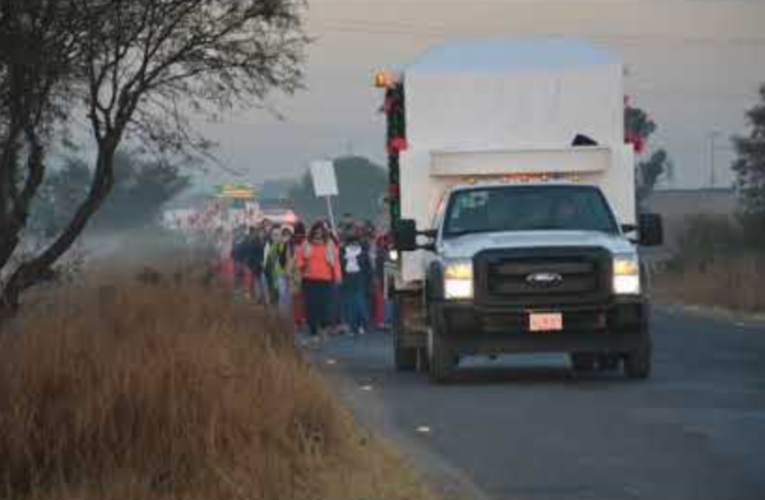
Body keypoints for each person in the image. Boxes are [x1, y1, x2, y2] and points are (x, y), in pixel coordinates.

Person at [297, 222, 342, 340]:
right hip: (309, 279)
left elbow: (336, 262)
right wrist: (301, 266)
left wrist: (338, 277)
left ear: (324, 232)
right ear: (313, 232)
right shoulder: (306, 243)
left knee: (324, 305)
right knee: (311, 306)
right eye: (316, 231)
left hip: (325, 279)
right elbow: (299, 257)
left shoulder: (330, 244)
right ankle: (313, 331)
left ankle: (323, 327)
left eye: (320, 232)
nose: (318, 234)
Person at [341, 231, 373, 336]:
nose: (354, 244)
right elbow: (340, 268)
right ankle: (351, 326)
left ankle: (361, 325)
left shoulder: (363, 253)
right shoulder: (342, 253)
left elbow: (368, 270)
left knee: (360, 304)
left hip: (360, 279)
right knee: (350, 305)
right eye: (351, 242)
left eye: (355, 242)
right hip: (348, 280)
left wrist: (369, 283)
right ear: (348, 243)